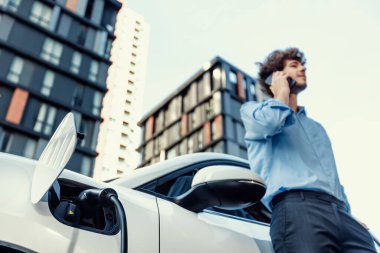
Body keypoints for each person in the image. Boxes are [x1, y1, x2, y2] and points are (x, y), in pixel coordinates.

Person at [240, 47, 376, 252]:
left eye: (302, 65)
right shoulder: (254, 112)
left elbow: (331, 177)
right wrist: (282, 92)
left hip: (343, 216)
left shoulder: (317, 128)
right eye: (294, 66)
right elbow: (269, 123)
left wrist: (348, 213)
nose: (302, 69)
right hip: (298, 210)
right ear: (275, 76)